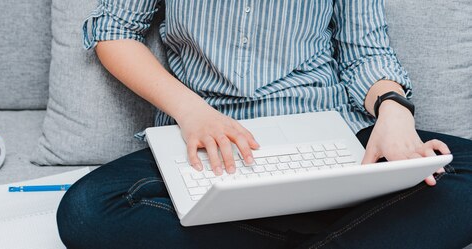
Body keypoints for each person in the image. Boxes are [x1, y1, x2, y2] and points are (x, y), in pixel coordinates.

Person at [58, 1, 472, 248]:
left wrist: (393, 109)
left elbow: (365, 51)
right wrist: (190, 110)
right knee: (86, 211)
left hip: (329, 127)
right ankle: (345, 226)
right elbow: (114, 31)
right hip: (208, 139)